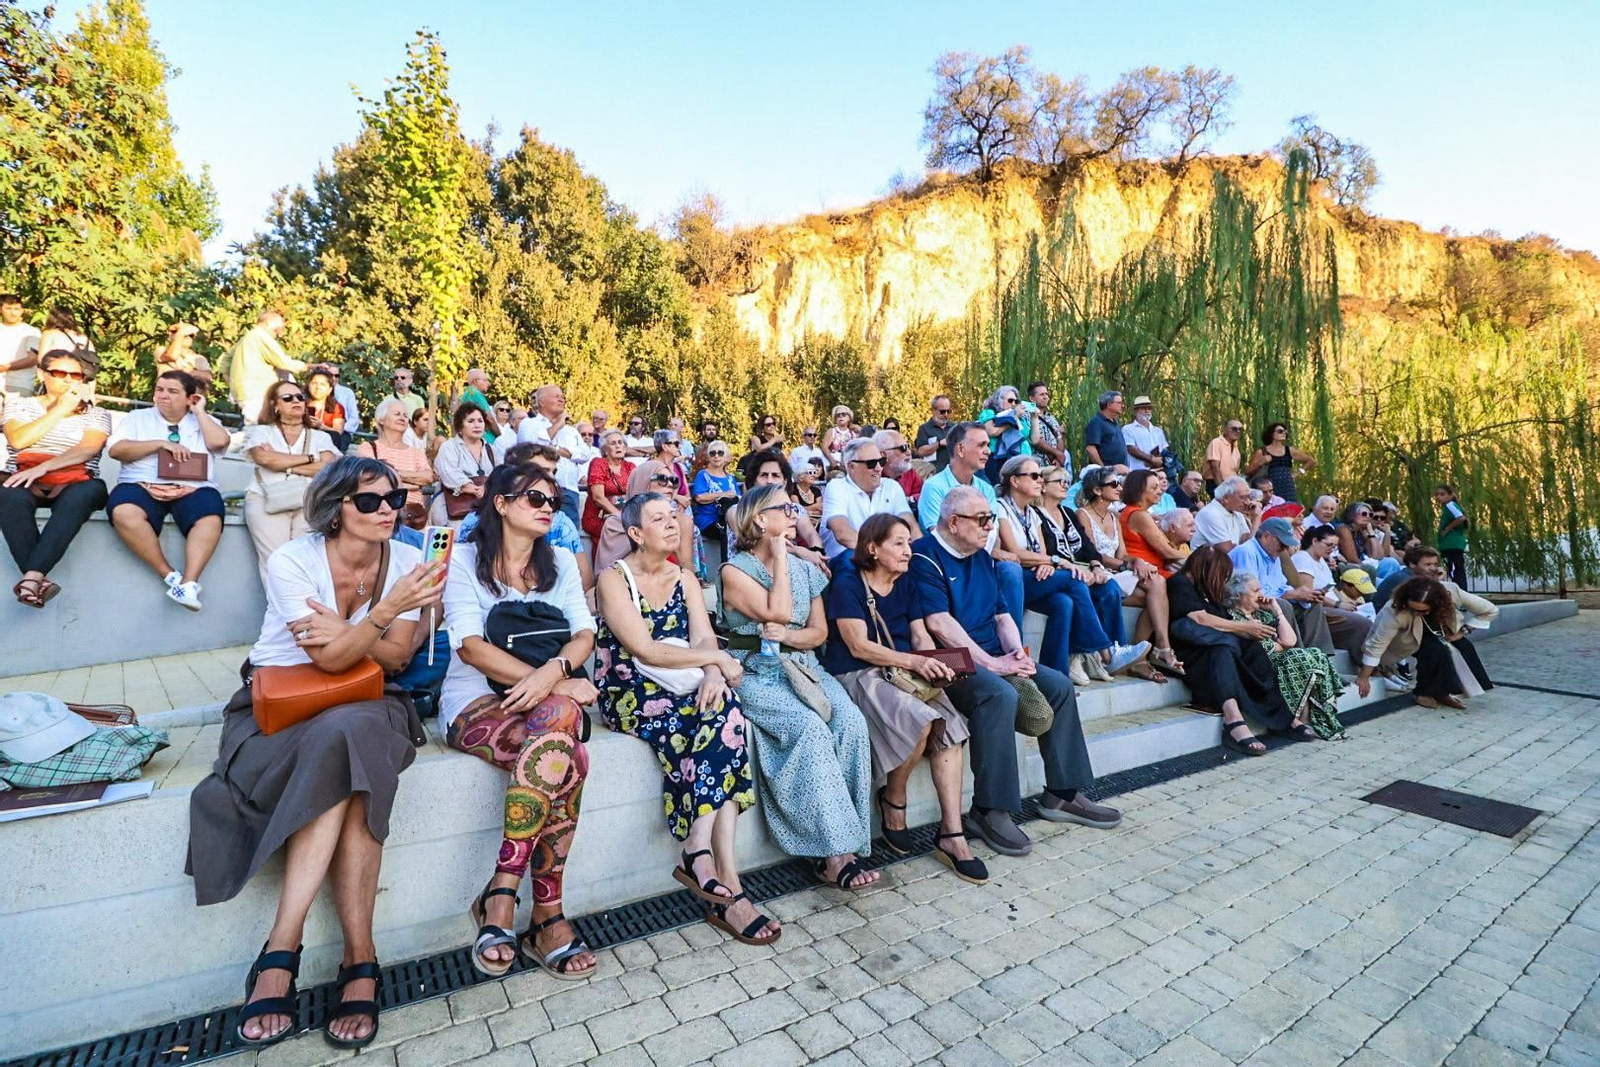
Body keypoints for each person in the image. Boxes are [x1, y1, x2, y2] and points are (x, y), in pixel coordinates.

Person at [186, 456, 444, 1049]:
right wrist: (378, 616)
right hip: (282, 708)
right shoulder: (293, 560)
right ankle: (361, 958)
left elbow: (397, 659)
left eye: (395, 498)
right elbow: (328, 660)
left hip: (372, 700)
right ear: (334, 510)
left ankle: (281, 950)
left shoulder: (406, 561)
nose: (389, 510)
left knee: (347, 735)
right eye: (370, 501)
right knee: (346, 756)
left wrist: (351, 631)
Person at [594, 492, 781, 946]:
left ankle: (709, 862)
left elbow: (701, 634)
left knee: (725, 713)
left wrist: (713, 672)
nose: (672, 523)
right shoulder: (613, 579)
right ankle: (728, 889)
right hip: (630, 688)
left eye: (673, 515)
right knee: (719, 726)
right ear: (635, 534)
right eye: (658, 519)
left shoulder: (685, 577)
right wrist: (714, 659)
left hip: (684, 678)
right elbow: (645, 649)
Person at [440, 464, 597, 979]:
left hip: (548, 701)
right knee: (569, 756)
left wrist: (553, 673)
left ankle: (501, 894)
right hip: (477, 705)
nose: (547, 505)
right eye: (533, 497)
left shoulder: (562, 564)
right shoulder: (464, 559)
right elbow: (470, 646)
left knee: (560, 725)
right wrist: (554, 684)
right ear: (501, 503)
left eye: (553, 498)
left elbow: (582, 635)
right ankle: (547, 915)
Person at [910, 485, 1122, 856]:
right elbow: (940, 624)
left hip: (991, 652)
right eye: (982, 520)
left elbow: (1002, 614)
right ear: (954, 522)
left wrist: (1015, 654)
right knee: (998, 693)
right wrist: (993, 664)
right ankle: (989, 810)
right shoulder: (924, 557)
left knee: (1056, 684)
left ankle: (1062, 793)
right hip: (945, 657)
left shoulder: (980, 554)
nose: (989, 526)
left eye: (991, 519)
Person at [720, 485, 878, 891]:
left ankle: (852, 840)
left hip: (807, 669)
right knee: (808, 730)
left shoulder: (807, 569)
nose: (796, 513)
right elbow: (783, 612)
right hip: (757, 672)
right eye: (785, 508)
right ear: (759, 519)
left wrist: (787, 637)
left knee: (851, 724)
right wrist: (781, 560)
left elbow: (817, 633)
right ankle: (833, 854)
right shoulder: (734, 571)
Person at [824, 513, 986, 883]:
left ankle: (952, 833)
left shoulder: (907, 580)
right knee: (922, 722)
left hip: (903, 670)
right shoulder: (849, 581)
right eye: (898, 543)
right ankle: (893, 798)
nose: (907, 550)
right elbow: (857, 645)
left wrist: (933, 665)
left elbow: (919, 638)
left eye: (909, 542)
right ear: (872, 548)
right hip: (859, 672)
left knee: (952, 729)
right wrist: (913, 661)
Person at [997, 455, 1149, 682]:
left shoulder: (1031, 513)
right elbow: (1015, 552)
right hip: (1014, 578)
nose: (1039, 480)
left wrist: (1050, 563)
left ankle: (1057, 677)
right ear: (1015, 481)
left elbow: (1042, 553)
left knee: (1065, 602)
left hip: (1038, 574)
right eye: (1035, 476)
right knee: (1074, 580)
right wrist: (1055, 562)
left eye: (1041, 476)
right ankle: (1106, 651)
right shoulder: (1002, 508)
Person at [106, 370, 230, 610]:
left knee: (210, 515)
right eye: (159, 390)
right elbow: (116, 450)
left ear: (189, 397)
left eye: (172, 391)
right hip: (141, 483)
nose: (163, 396)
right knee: (123, 511)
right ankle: (170, 576)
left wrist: (200, 412)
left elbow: (219, 443)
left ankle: (190, 583)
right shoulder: (137, 417)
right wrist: (160, 444)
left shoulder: (204, 420)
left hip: (194, 487)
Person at [0, 349, 110, 606]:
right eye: (60, 373)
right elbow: (19, 439)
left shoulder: (97, 414)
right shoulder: (20, 405)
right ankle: (37, 580)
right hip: (24, 479)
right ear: (42, 374)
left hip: (77, 481)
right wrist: (59, 410)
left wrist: (44, 467)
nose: (69, 380)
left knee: (82, 497)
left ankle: (31, 578)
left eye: (76, 375)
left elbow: (88, 449)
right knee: (9, 496)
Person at [1164, 546, 1298, 756]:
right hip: (1190, 653)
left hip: (1214, 646)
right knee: (1223, 649)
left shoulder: (1206, 590)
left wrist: (1251, 630)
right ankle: (1233, 719)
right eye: (1221, 573)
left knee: (1253, 649)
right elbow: (1199, 618)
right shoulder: (1180, 582)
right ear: (1209, 569)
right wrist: (1246, 628)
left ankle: (1281, 715)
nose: (1223, 579)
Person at [917, 422, 1025, 627]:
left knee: (1016, 574)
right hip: (948, 564)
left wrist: (992, 553)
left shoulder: (986, 488)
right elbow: (939, 536)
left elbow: (992, 532)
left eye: (988, 445)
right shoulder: (934, 487)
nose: (988, 451)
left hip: (981, 559)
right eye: (982, 445)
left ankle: (1017, 652)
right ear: (960, 448)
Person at [1224, 573, 1346, 740]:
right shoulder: (1233, 618)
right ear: (1238, 594)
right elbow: (1266, 649)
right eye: (1255, 590)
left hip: (1279, 659)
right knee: (1297, 657)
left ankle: (1313, 719)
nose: (1261, 594)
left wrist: (1277, 611)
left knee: (1314, 654)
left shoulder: (1262, 613)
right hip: (1258, 667)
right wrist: (1281, 645)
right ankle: (1296, 719)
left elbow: (1290, 641)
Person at [243, 380, 340, 584]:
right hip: (265, 499)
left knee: (303, 561)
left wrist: (283, 464)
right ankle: (280, 615)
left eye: (300, 397)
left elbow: (327, 468)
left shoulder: (320, 436)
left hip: (309, 501)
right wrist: (312, 458)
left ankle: (300, 613)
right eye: (287, 398)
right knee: (273, 560)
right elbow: (265, 459)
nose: (296, 401)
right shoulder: (262, 432)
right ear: (275, 405)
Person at [1357, 576, 1497, 709]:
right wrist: (1364, 676)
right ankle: (1423, 692)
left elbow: (1490, 610)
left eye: (1422, 610)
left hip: (1440, 632)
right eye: (1412, 609)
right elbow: (1377, 644)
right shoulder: (1394, 609)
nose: (1416, 613)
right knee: (1434, 651)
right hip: (1407, 638)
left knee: (1464, 647)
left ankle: (1443, 693)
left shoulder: (1452, 592)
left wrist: (1464, 631)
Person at [1227, 517, 1337, 654]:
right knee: (1283, 604)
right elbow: (1250, 593)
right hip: (1243, 606)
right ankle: (1298, 656)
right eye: (1282, 543)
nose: (1285, 548)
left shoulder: (1273, 554)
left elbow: (1280, 585)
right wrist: (1292, 594)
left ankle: (1321, 654)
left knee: (1313, 604)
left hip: (1266, 600)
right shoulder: (1246, 552)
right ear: (1266, 536)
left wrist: (1302, 593)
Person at [820, 437, 919, 561]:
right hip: (850, 561)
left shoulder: (891, 486)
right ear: (851, 466)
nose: (878, 468)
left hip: (890, 560)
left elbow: (911, 527)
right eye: (871, 463)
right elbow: (843, 534)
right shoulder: (837, 487)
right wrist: (881, 556)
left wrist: (920, 557)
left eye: (881, 461)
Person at [740, 449, 831, 572]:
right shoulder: (740, 509)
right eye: (763, 475)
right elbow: (755, 543)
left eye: (776, 475)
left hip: (788, 569)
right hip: (750, 571)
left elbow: (811, 534)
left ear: (785, 482)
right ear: (753, 480)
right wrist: (800, 551)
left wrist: (816, 553)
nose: (770, 481)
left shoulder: (794, 509)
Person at [517, 384, 592, 528]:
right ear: (542, 402)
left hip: (568, 492)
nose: (562, 399)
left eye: (563, 397)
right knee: (540, 537)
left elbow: (584, 454)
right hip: (538, 491)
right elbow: (532, 448)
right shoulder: (528, 424)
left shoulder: (571, 430)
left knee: (569, 537)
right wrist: (558, 424)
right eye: (556, 396)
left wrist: (557, 450)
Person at [353, 399, 434, 525]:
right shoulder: (368, 448)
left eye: (405, 415)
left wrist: (392, 474)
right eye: (397, 414)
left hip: (413, 517)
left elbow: (428, 477)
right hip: (381, 513)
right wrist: (413, 484)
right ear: (381, 419)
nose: (402, 418)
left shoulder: (416, 452)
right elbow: (372, 479)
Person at [222, 310, 306, 424]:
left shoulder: (248, 337)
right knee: (258, 429)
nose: (282, 330)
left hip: (245, 394)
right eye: (280, 325)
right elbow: (284, 362)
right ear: (270, 323)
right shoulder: (261, 336)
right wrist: (309, 366)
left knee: (251, 428)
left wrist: (232, 383)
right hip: (257, 394)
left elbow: (226, 360)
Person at [431, 404, 504, 526]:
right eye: (471, 421)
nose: (477, 425)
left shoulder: (491, 449)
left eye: (480, 421)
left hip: (486, 509)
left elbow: (502, 473)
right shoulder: (449, 447)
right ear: (460, 426)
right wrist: (474, 489)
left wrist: (487, 487)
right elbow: (449, 473)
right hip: (453, 511)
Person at [583, 430, 633, 545]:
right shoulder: (599, 463)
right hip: (599, 517)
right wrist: (620, 517)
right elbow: (598, 497)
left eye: (620, 442)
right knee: (624, 534)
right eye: (613, 443)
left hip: (624, 516)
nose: (618, 446)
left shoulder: (630, 466)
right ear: (605, 449)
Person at [1244, 422, 1314, 504]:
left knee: (1289, 510)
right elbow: (1248, 471)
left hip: (1288, 487)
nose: (1284, 433)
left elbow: (1311, 461)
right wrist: (1261, 462)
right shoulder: (1262, 452)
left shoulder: (1289, 450)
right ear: (1271, 434)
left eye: (1285, 431)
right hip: (1270, 488)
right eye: (1280, 431)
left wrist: (1297, 473)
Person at [977, 385, 1036, 476]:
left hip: (1021, 460)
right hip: (997, 459)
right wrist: (1012, 419)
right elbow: (992, 431)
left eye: (1016, 401)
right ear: (1000, 400)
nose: (1013, 404)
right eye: (1010, 400)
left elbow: (1032, 438)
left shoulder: (1020, 418)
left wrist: (1035, 418)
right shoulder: (990, 413)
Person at [1192, 475, 1258, 551]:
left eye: (1248, 497)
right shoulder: (1210, 514)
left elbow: (1247, 544)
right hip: (1207, 562)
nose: (1247, 502)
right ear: (1226, 498)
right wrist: (1238, 547)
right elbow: (1230, 552)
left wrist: (1256, 517)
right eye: (1242, 497)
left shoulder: (1236, 511)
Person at [1374, 544, 1443, 610]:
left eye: (1435, 564)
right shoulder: (1405, 580)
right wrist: (1436, 583)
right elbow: (1420, 603)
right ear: (1412, 564)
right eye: (1428, 564)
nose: (1433, 568)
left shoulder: (1417, 578)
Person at [0, 293, 41, 403]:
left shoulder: (31, 332)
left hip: (20, 385)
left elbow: (32, 359)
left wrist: (5, 368)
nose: (13, 313)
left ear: (22, 310)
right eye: (8, 308)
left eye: (16, 309)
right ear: (1, 309)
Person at [155, 322, 213, 391]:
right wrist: (180, 334)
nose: (188, 337)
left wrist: (186, 371)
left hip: (190, 397)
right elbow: (172, 356)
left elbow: (209, 377)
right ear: (171, 336)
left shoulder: (199, 358)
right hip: (167, 393)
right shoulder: (162, 350)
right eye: (185, 335)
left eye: (191, 335)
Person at [1027, 382, 1068, 476]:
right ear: (1032, 398)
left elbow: (1059, 438)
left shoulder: (1051, 417)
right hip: (1038, 465)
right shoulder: (1027, 415)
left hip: (1053, 465)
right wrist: (1058, 453)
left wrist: (1058, 459)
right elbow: (1036, 441)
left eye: (1046, 394)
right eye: (1041, 394)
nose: (1045, 397)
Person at [1083, 390, 1128, 471]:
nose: (1122, 405)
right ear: (1109, 404)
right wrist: (1103, 470)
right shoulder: (1097, 422)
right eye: (1119, 403)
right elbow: (1090, 448)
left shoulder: (1115, 424)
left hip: (1120, 472)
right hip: (1107, 475)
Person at [305, 368, 349, 452]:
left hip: (325, 446)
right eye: (314, 383)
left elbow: (338, 432)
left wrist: (322, 426)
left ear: (329, 389)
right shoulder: (300, 404)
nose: (317, 387)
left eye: (322, 384)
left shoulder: (337, 408)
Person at [1435, 484, 1470, 589]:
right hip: (1449, 544)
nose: (1438, 497)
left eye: (1442, 494)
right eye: (1437, 495)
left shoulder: (1450, 505)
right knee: (1455, 570)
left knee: (1455, 571)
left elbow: (1460, 517)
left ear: (1450, 495)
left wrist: (1447, 529)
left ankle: (1461, 593)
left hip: (1452, 544)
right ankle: (1461, 592)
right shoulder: (1448, 506)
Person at [1121, 396, 1169, 472]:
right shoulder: (1128, 429)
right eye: (1143, 408)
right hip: (1137, 471)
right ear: (1136, 411)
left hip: (1157, 471)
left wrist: (1161, 460)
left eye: (1149, 408)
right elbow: (1131, 448)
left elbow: (1164, 449)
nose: (1147, 411)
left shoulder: (1158, 430)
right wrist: (1151, 459)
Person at [459, 367, 502, 444]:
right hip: (485, 440)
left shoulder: (467, 393)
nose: (488, 383)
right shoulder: (475, 394)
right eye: (485, 380)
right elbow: (490, 419)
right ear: (475, 381)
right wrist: (500, 435)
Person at [915, 395, 956, 473]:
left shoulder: (954, 428)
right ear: (933, 410)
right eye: (942, 411)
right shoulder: (924, 429)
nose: (946, 414)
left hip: (952, 473)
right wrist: (939, 444)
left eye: (948, 411)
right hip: (933, 473)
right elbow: (921, 452)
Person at [317, 364, 362, 436]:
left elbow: (354, 418)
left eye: (336, 375)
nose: (334, 378)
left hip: (342, 433)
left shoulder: (347, 393)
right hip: (319, 431)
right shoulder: (316, 391)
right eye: (330, 375)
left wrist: (340, 429)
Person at [1202, 419, 1244, 494]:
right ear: (1225, 430)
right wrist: (1221, 488)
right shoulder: (1217, 442)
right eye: (1234, 429)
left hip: (1231, 484)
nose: (1238, 431)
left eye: (1240, 429)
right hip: (1216, 483)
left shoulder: (1235, 447)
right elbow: (1215, 467)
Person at [824, 405, 855, 472]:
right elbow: (824, 447)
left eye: (843, 414)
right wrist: (832, 461)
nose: (840, 416)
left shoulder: (853, 434)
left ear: (849, 418)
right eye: (838, 415)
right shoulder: (832, 431)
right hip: (835, 467)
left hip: (850, 467)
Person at [793, 457, 824, 523]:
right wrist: (814, 507)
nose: (813, 475)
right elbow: (796, 510)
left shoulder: (816, 490)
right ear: (800, 476)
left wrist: (807, 511)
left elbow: (820, 511)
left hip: (816, 522)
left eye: (814, 472)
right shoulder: (793, 489)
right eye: (810, 472)